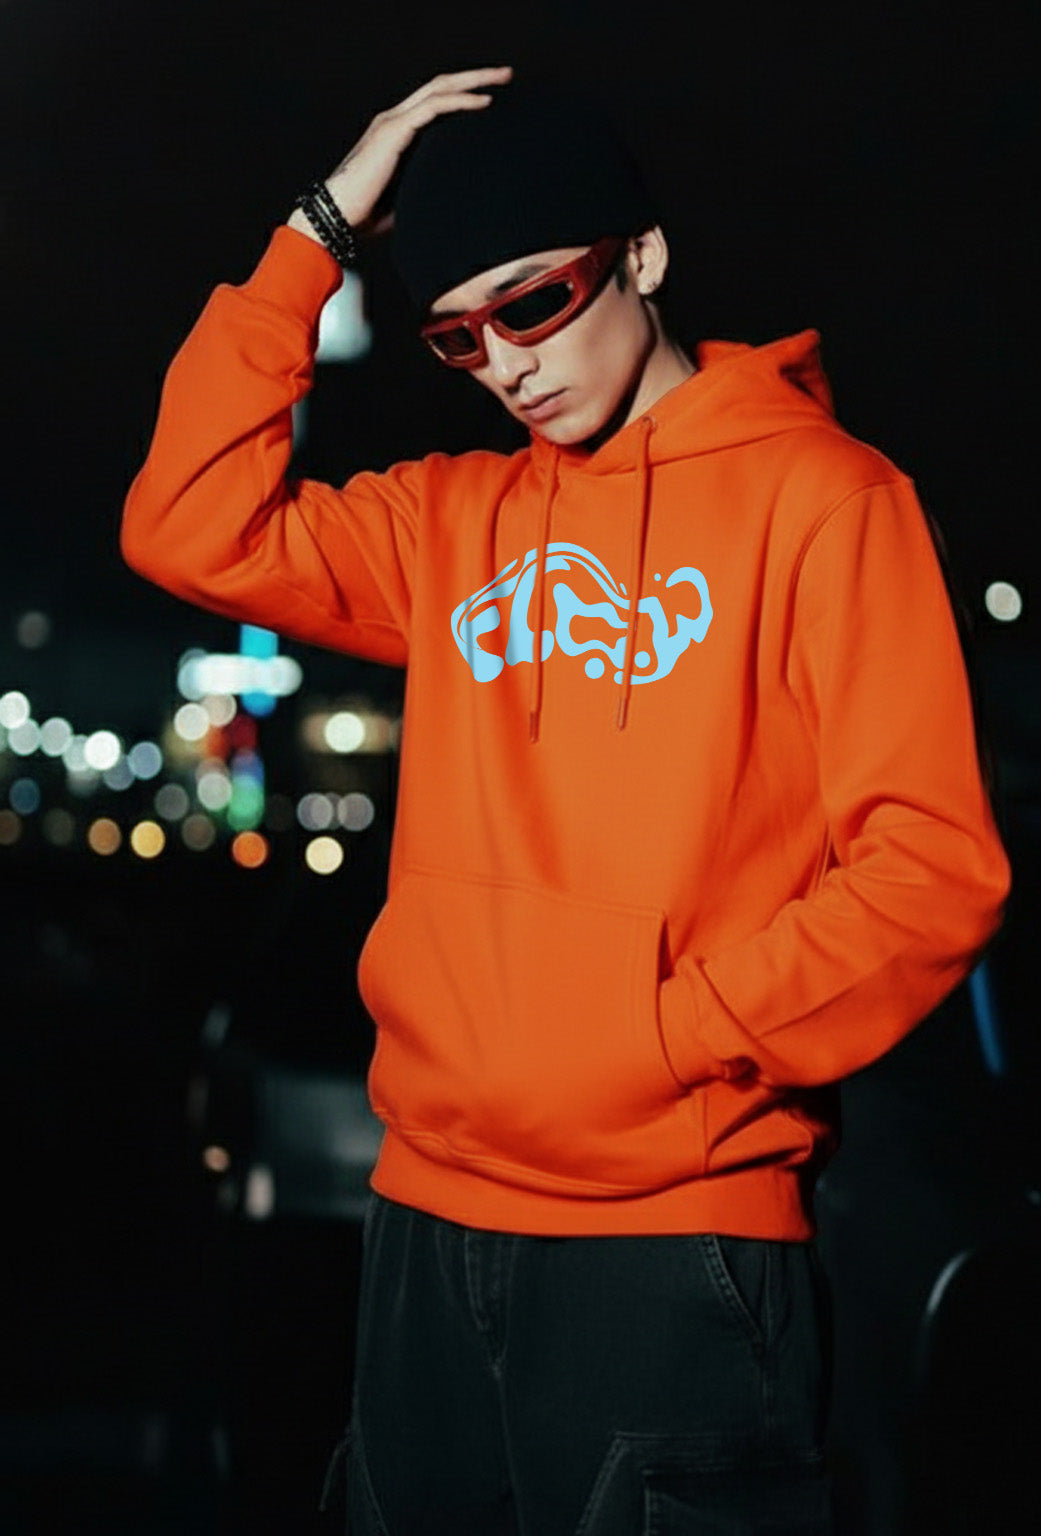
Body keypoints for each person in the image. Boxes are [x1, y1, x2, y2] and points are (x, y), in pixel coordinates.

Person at [121, 66, 1011, 1536]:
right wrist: (318, 230)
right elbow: (186, 524)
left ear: (640, 256)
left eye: (532, 303)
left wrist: (668, 1038)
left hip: (676, 1236)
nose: (506, 365)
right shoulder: (453, 522)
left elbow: (930, 872)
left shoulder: (826, 500)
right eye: (457, 335)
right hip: (424, 1214)